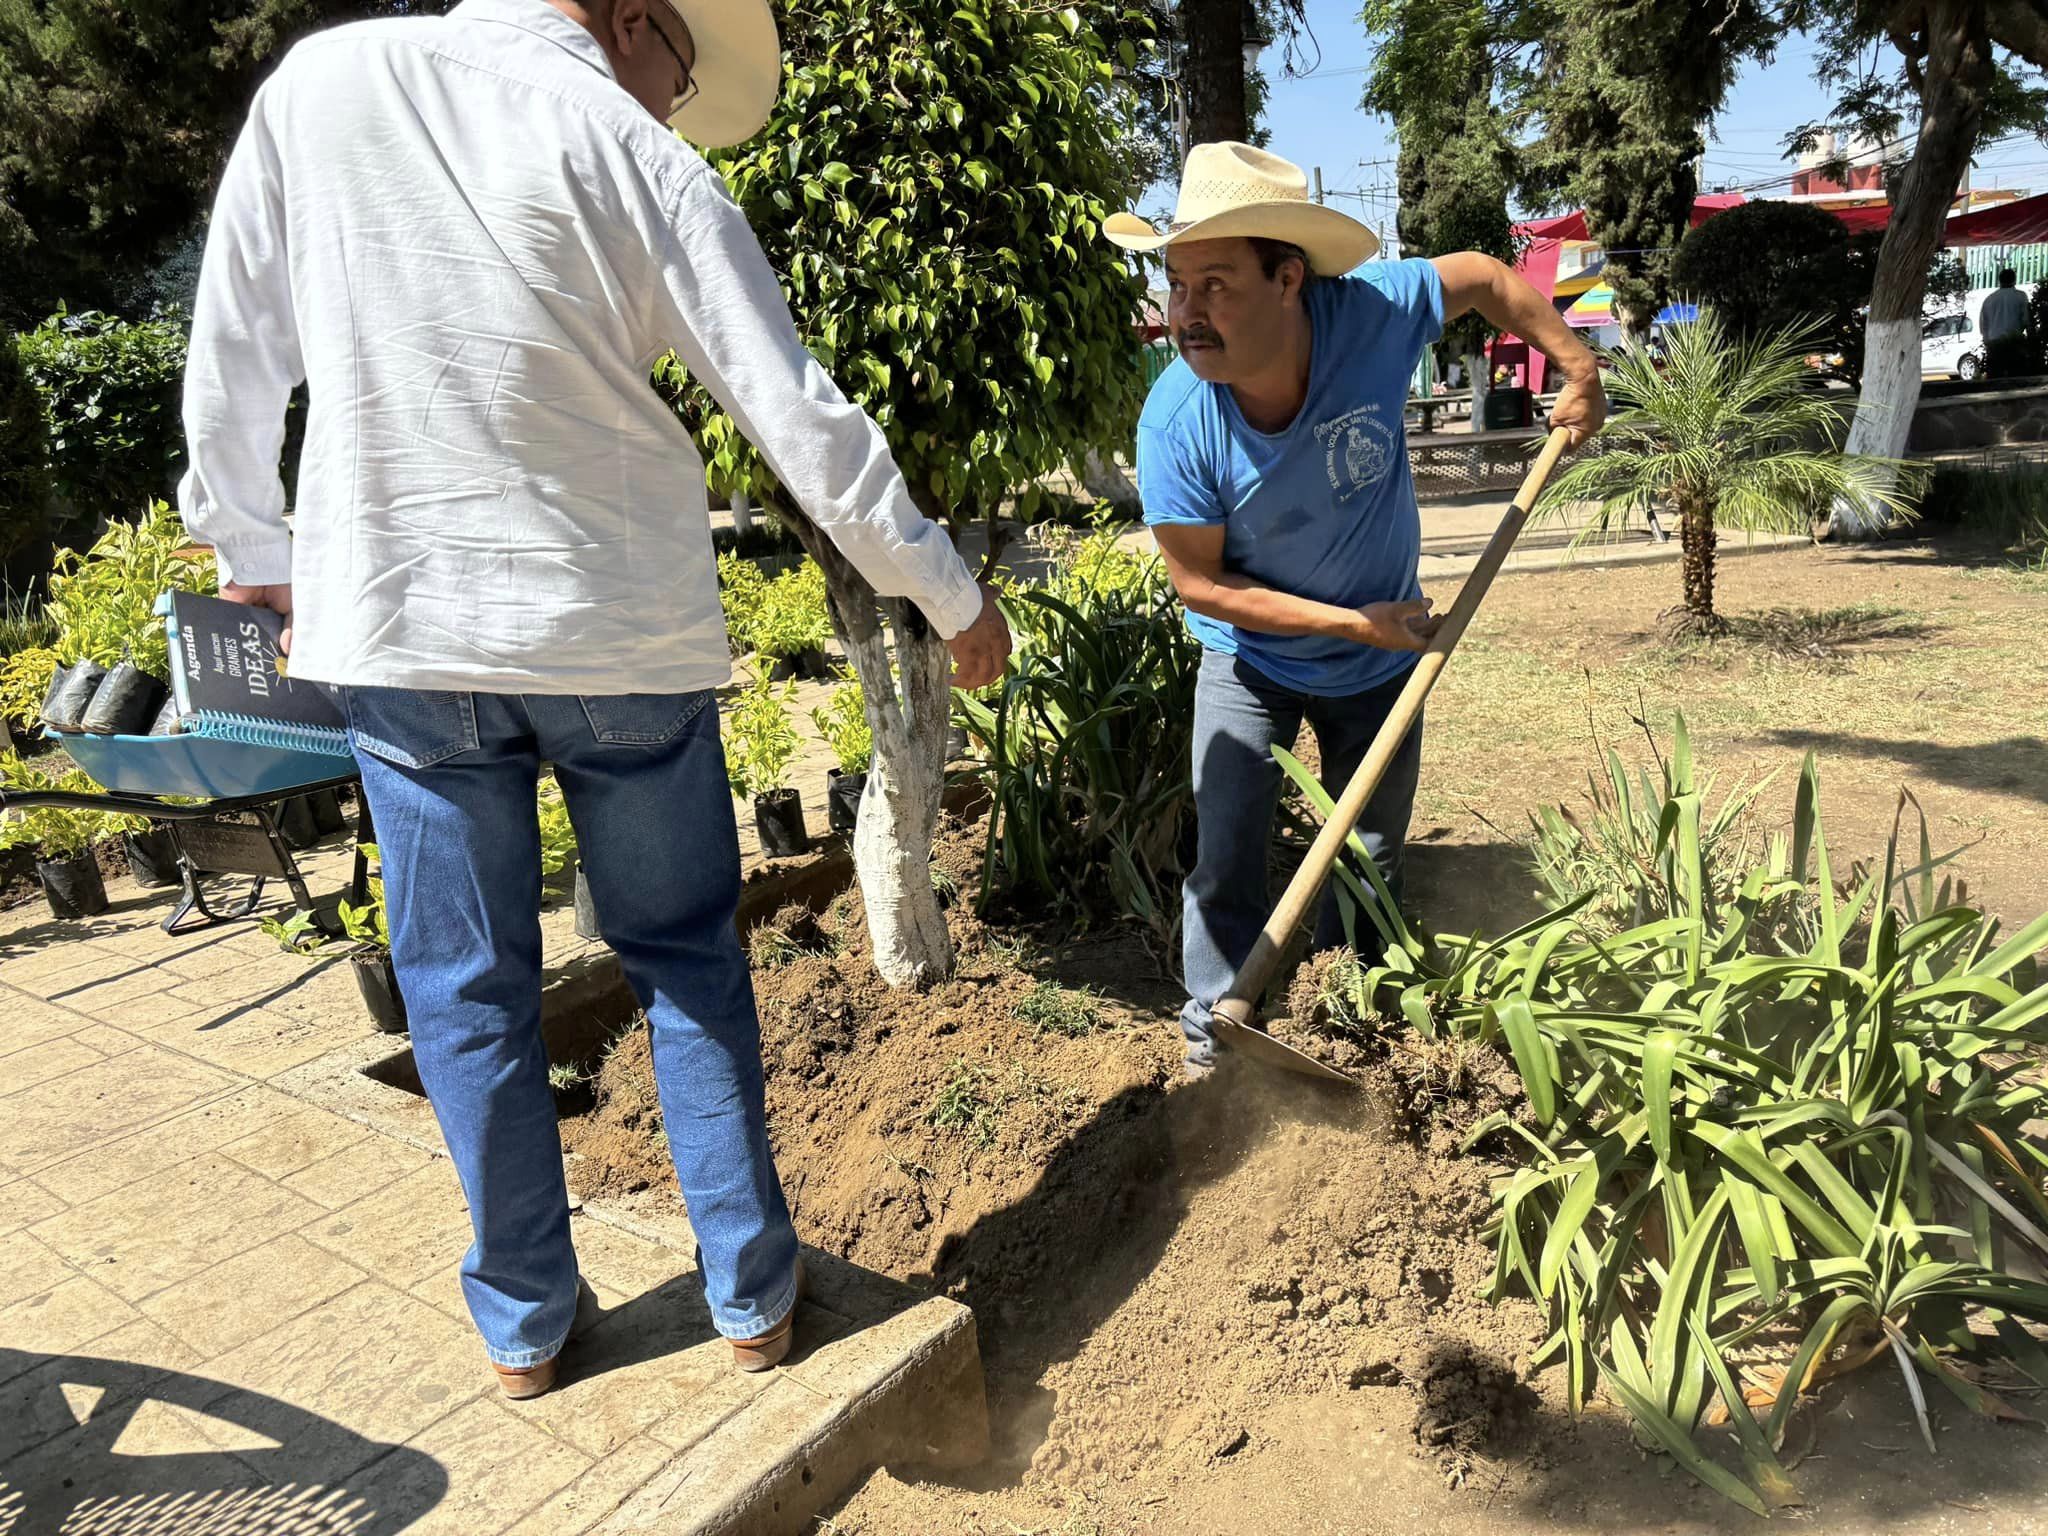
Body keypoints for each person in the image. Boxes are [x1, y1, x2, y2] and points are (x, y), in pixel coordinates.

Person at [179, 0, 1012, 1397]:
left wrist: (251, 546)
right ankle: (752, 1298)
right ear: (635, 20)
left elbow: (236, 346)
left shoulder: (324, 84)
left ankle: (527, 1327)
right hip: (618, 624)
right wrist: (949, 594)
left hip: (404, 622)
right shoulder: (639, 156)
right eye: (681, 75)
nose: (678, 107)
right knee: (684, 955)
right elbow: (794, 411)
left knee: (462, 990)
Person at [1103, 142, 1606, 1078]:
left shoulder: (1370, 314)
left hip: (1378, 665)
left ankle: (1352, 1021)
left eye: (1215, 283)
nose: (1187, 313)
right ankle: (1214, 1048)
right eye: (1176, 285)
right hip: (1249, 657)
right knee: (1228, 852)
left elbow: (1492, 280)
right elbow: (1201, 587)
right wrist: (1353, 623)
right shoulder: (1178, 420)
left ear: (1289, 277)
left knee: (1368, 854)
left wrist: (1576, 365)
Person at [1981, 266, 2030, 344]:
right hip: (2014, 341)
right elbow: (2026, 320)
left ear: (1999, 281)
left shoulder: (1989, 299)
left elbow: (1984, 325)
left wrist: (1987, 342)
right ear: (2014, 280)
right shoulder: (2021, 296)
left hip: (1994, 343)